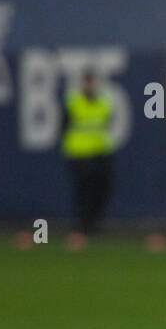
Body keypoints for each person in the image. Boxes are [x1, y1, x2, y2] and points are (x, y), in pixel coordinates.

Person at [61, 69, 115, 243]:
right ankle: (82, 226)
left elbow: (106, 124)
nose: (89, 85)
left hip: (100, 152)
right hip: (79, 153)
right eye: (87, 81)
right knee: (83, 191)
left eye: (91, 81)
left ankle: (93, 224)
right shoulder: (73, 102)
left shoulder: (103, 102)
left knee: (100, 190)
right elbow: (63, 127)